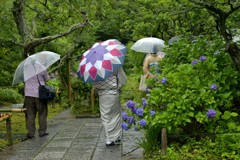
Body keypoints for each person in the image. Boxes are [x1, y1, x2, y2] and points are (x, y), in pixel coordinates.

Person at [92, 67, 127, 146]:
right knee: (116, 114)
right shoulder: (114, 63)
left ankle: (108, 139)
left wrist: (97, 89)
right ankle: (116, 137)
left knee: (105, 116)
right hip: (113, 91)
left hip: (102, 93)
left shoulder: (96, 66)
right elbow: (123, 78)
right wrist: (119, 85)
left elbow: (94, 82)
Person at [24, 61, 50, 139]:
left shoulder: (25, 68)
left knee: (30, 114)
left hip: (28, 94)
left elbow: (23, 79)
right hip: (39, 94)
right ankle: (42, 132)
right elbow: (47, 79)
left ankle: (31, 133)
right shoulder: (41, 67)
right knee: (42, 113)